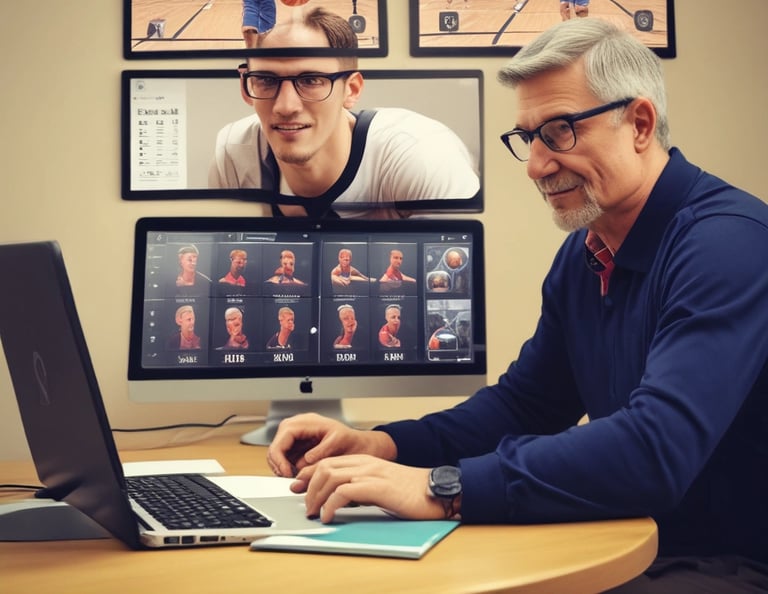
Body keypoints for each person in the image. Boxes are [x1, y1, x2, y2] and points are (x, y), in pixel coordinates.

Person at [265, 18, 768, 592]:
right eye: (529, 138)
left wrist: (441, 487)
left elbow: (656, 449)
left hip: (730, 563)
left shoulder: (728, 244)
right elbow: (525, 406)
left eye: (559, 132)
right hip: (632, 538)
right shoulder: (586, 251)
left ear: (639, 124)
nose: (536, 165)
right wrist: (384, 445)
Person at [208, 7, 480, 219]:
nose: (285, 106)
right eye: (266, 80)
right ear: (245, 88)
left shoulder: (420, 156)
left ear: (351, 90)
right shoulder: (234, 153)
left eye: (311, 80)